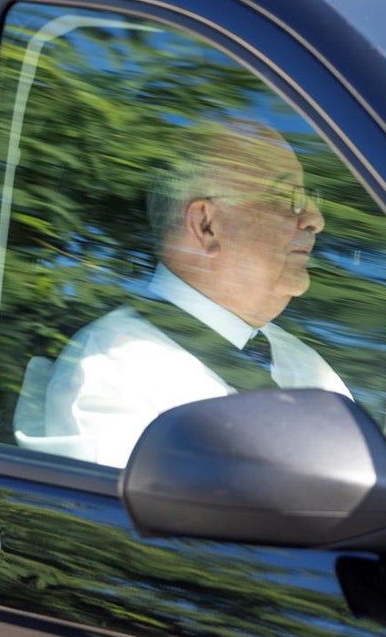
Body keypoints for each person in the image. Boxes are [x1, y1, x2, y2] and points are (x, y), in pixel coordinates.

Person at [20, 119, 350, 467]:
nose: (316, 219)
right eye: (289, 198)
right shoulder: (111, 377)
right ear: (206, 225)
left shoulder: (308, 367)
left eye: (312, 199)